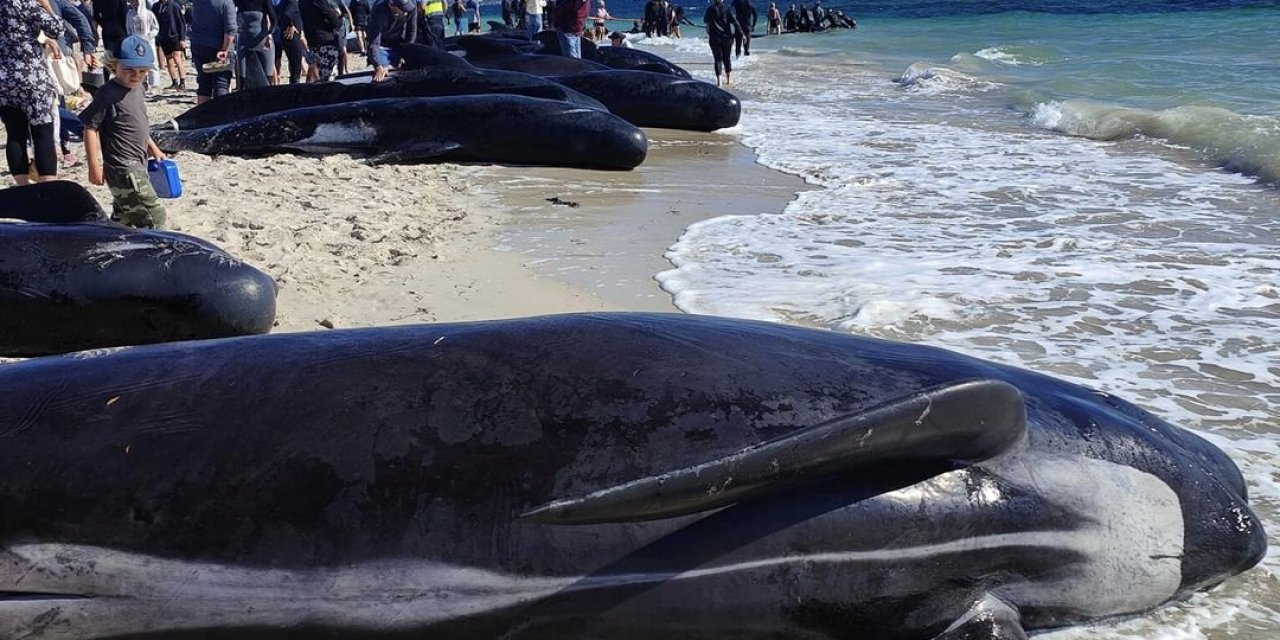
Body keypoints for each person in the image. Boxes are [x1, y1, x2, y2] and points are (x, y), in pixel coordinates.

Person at [81, 35, 168, 228]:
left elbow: (139, 124)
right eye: (129, 70)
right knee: (154, 217)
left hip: (138, 163)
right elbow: (90, 127)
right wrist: (94, 166)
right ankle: (154, 255)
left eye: (143, 71)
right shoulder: (107, 93)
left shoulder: (138, 89)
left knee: (124, 218)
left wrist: (153, 148)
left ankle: (111, 245)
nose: (136, 75)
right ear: (114, 65)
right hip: (123, 168)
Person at [1, 0, 64, 185]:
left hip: (4, 78)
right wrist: (47, 6)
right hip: (31, 75)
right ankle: (47, 185)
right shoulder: (24, 3)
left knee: (14, 133)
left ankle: (22, 186)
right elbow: (56, 29)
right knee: (42, 131)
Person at [190, 0, 236, 102]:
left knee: (204, 83)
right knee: (221, 84)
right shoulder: (226, 3)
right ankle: (219, 116)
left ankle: (202, 115)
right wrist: (224, 49)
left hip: (199, 45)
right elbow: (230, 30)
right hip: (217, 47)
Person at [367, 0, 415, 81]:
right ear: (392, 5)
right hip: (381, 44)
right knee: (383, 73)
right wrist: (378, 66)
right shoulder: (378, 10)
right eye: (403, 9)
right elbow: (374, 43)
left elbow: (411, 31)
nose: (406, 13)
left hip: (397, 41)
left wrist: (407, 54)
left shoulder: (411, 6)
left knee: (404, 68)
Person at [234, 0, 276, 90]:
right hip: (244, 44)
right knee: (243, 81)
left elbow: (274, 20)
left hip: (263, 43)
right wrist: (235, 27)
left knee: (267, 79)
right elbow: (229, 15)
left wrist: (269, 35)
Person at [300, 0, 345, 81]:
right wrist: (338, 18)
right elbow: (333, 18)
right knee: (329, 78)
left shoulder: (302, 2)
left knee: (317, 76)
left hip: (312, 41)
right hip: (326, 42)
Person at [125, 0, 161, 88]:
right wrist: (131, 38)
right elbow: (128, 28)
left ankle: (154, 82)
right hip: (135, 42)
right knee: (139, 63)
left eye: (136, 1)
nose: (135, 3)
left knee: (152, 62)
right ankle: (143, 82)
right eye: (133, 1)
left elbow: (155, 28)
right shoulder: (129, 14)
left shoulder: (148, 14)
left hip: (148, 41)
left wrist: (150, 36)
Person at [153, 0, 188, 89]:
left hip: (174, 36)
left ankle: (182, 81)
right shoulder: (156, 6)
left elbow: (181, 23)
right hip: (163, 37)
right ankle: (174, 81)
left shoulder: (174, 6)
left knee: (177, 58)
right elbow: (154, 22)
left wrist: (182, 38)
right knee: (168, 59)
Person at [702, 0, 736, 86]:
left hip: (714, 38)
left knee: (717, 59)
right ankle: (728, 80)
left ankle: (719, 81)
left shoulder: (710, 9)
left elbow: (705, 20)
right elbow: (734, 21)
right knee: (727, 58)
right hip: (727, 38)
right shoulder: (727, 9)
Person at [272, 0, 307, 82]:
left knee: (293, 63)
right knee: (296, 66)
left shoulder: (284, 2)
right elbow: (287, 14)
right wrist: (290, 25)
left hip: (287, 36)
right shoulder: (291, 2)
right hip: (292, 37)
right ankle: (295, 85)